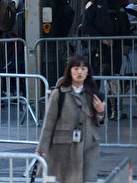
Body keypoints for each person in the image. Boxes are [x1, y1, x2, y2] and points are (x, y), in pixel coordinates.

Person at [36, 54, 105, 183]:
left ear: (88, 72)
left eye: (84, 69)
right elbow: (48, 123)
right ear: (70, 71)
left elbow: (99, 122)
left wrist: (101, 111)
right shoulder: (59, 93)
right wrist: (42, 149)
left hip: (88, 148)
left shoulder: (93, 94)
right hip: (64, 148)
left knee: (87, 179)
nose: (80, 72)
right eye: (76, 68)